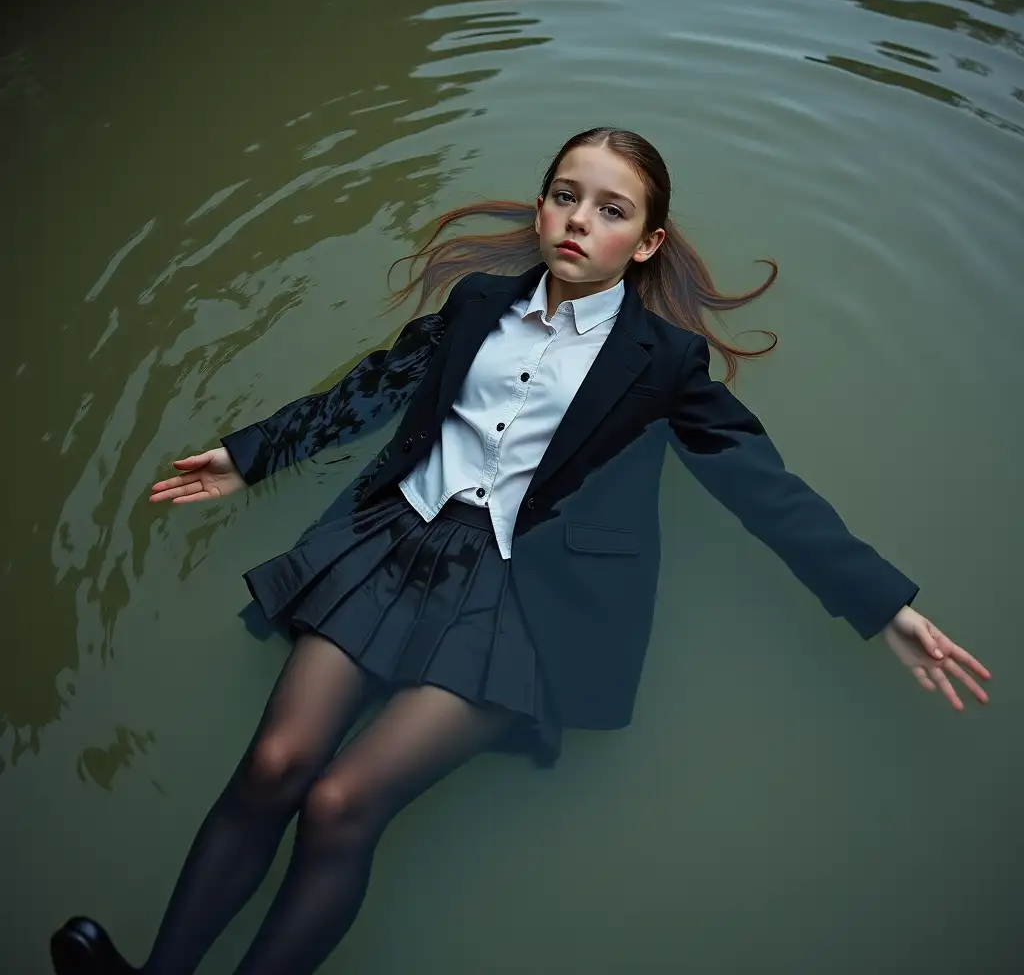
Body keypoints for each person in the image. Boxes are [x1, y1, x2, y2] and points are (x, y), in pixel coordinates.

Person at [50, 128, 991, 975]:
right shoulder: (478, 305)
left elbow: (762, 486)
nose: (580, 220)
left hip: (521, 602)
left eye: (611, 210)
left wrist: (883, 608)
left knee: (339, 805)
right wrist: (250, 458)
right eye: (565, 195)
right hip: (392, 547)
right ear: (541, 208)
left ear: (648, 242)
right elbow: (373, 387)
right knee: (272, 767)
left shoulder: (662, 363)